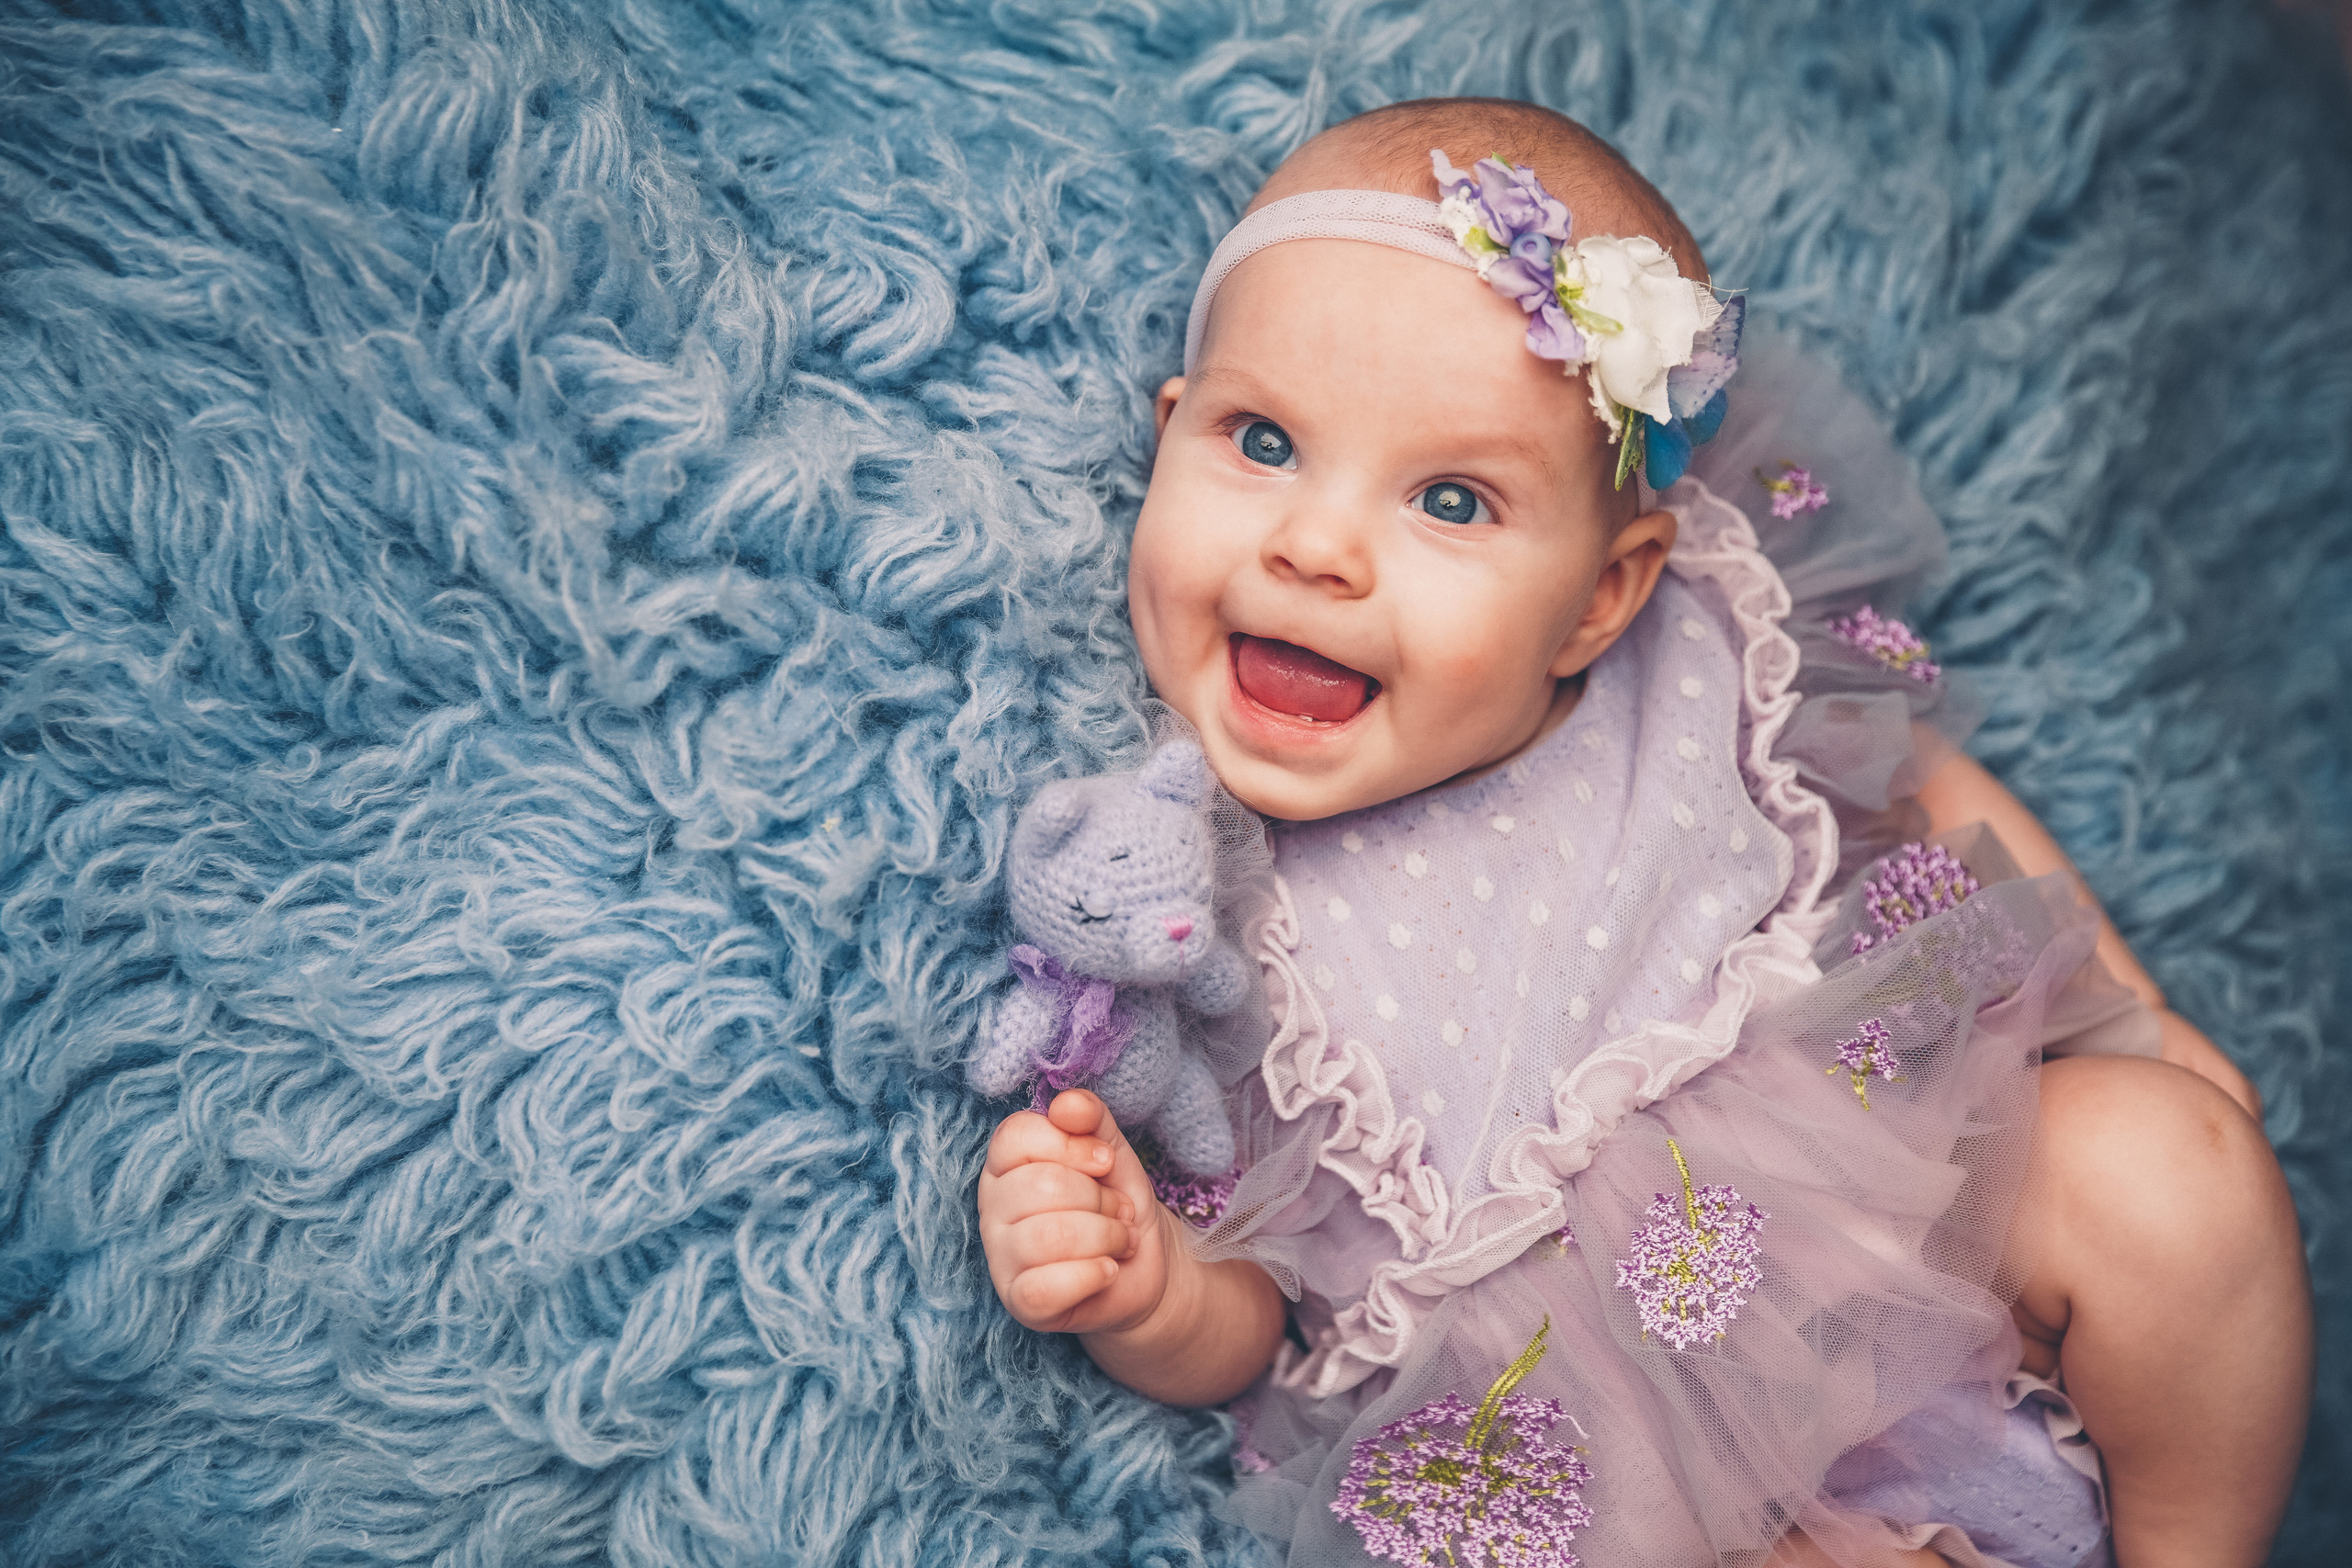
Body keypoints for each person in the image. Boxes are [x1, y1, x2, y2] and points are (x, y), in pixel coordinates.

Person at [973, 98, 2311, 1568]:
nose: (1316, 545)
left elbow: (1923, 784)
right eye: (1265, 441)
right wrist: (1149, 1292)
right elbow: (1263, 1326)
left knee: (2171, 1172)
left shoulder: (1699, 665)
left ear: (1603, 598)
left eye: (1452, 499)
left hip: (1890, 1247)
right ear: (1171, 434)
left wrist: (2148, 1017)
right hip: (1592, 1459)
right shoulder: (1174, 896)